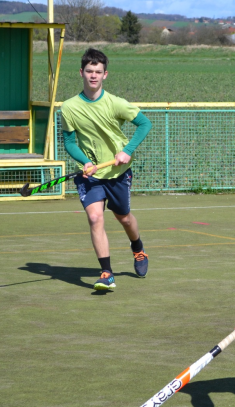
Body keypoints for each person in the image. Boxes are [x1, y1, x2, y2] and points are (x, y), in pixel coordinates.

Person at [60, 48, 153, 291]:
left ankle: (138, 248)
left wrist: (127, 150)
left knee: (123, 217)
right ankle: (106, 272)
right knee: (94, 217)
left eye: (98, 72)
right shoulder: (69, 107)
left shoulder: (115, 103)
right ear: (81, 72)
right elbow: (69, 142)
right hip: (90, 175)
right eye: (89, 71)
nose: (93, 75)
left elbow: (144, 123)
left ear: (105, 75)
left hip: (117, 173)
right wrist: (85, 162)